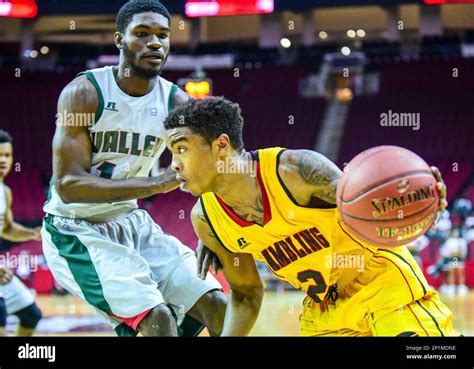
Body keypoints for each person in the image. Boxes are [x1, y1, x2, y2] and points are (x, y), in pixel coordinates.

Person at [164, 97, 459, 336]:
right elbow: (244, 293)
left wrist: (420, 206)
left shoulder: (296, 171)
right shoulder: (207, 220)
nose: (174, 164)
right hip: (323, 311)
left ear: (221, 146)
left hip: (382, 284)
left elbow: (373, 205)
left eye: (181, 149)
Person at [42, 0, 226, 337]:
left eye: (162, 35)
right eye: (142, 34)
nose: (154, 43)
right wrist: (156, 183)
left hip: (132, 222)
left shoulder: (177, 103)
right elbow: (68, 184)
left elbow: (207, 173)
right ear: (119, 40)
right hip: (75, 228)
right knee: (159, 320)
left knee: (217, 304)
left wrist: (216, 231)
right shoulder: (85, 93)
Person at [0, 130, 43, 336]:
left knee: (31, 314)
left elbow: (7, 229)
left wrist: (33, 233)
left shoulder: (4, 191)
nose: (4, 160)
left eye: (7, 155)